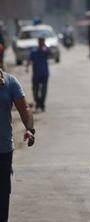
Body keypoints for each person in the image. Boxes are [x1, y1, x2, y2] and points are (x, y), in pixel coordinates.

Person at [0, 69, 35, 222]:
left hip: (3, 150)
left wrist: (29, 128)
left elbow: (24, 108)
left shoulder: (10, 82)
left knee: (2, 194)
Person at [26, 38, 50, 112]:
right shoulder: (34, 51)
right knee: (35, 91)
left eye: (42, 42)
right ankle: (38, 103)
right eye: (40, 42)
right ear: (38, 42)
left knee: (43, 90)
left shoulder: (45, 51)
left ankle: (41, 104)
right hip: (36, 74)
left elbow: (51, 53)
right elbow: (29, 60)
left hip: (44, 74)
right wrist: (27, 67)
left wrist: (46, 46)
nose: (41, 43)